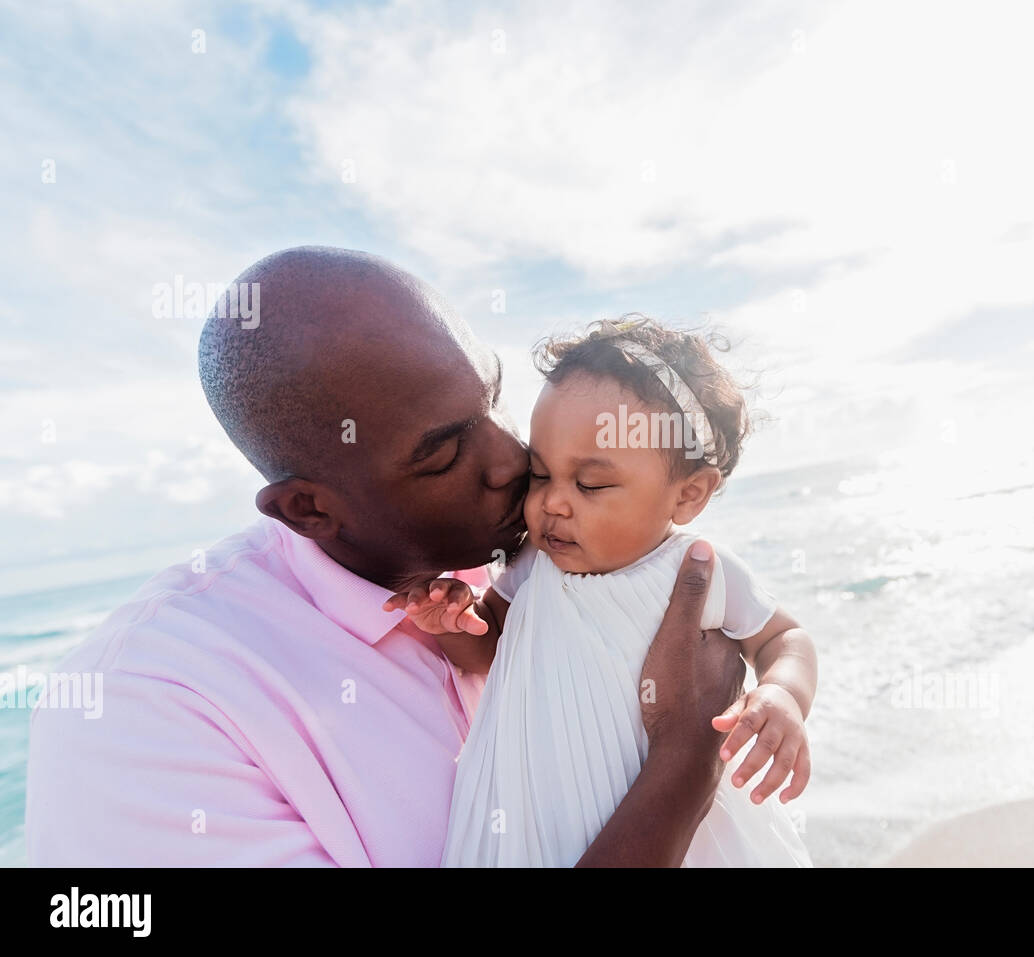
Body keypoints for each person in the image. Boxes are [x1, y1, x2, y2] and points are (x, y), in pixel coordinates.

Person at [24, 247, 744, 867]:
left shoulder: (511, 559)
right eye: (442, 452)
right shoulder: (141, 710)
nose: (512, 461)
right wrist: (685, 755)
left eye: (492, 401)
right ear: (310, 509)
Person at [386, 316, 816, 867]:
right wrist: (452, 623)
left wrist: (783, 694)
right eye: (539, 475)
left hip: (676, 833)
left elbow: (786, 638)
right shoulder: (534, 562)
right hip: (530, 819)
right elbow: (487, 648)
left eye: (590, 484)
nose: (554, 503)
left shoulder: (696, 566)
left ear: (688, 495)